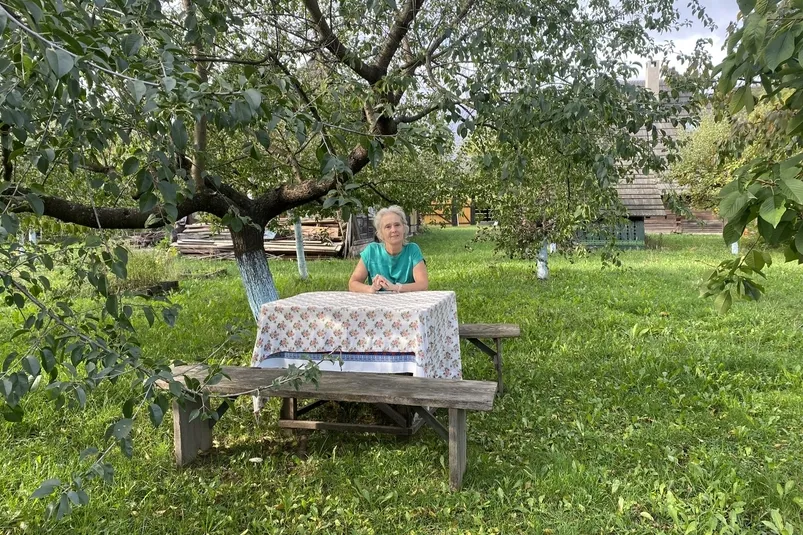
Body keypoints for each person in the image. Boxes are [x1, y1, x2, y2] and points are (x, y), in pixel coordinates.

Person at [348, 206, 429, 293]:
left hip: (407, 304)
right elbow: (353, 284)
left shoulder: (412, 250)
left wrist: (396, 287)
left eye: (397, 225)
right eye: (388, 227)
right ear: (380, 233)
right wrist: (371, 289)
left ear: (404, 228)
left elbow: (423, 284)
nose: (393, 230)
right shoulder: (371, 251)